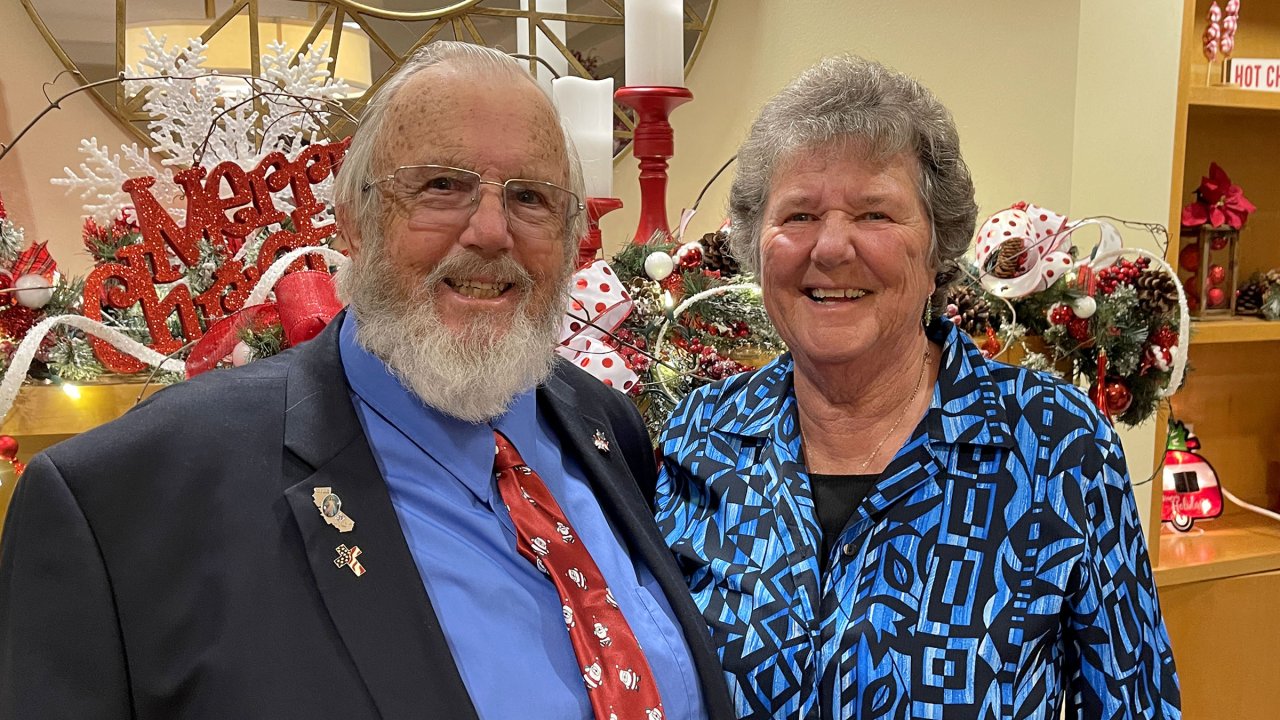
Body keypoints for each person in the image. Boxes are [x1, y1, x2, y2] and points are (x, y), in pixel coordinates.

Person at [0, 41, 733, 720]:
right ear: (352, 220)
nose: (490, 231)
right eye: (441, 185)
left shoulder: (604, 425)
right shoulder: (125, 502)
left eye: (531, 198)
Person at [653, 55, 1180, 720]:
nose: (831, 247)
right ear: (757, 247)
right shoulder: (702, 435)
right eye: (800, 215)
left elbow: (1136, 704)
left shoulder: (1056, 445)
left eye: (874, 213)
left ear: (938, 249)